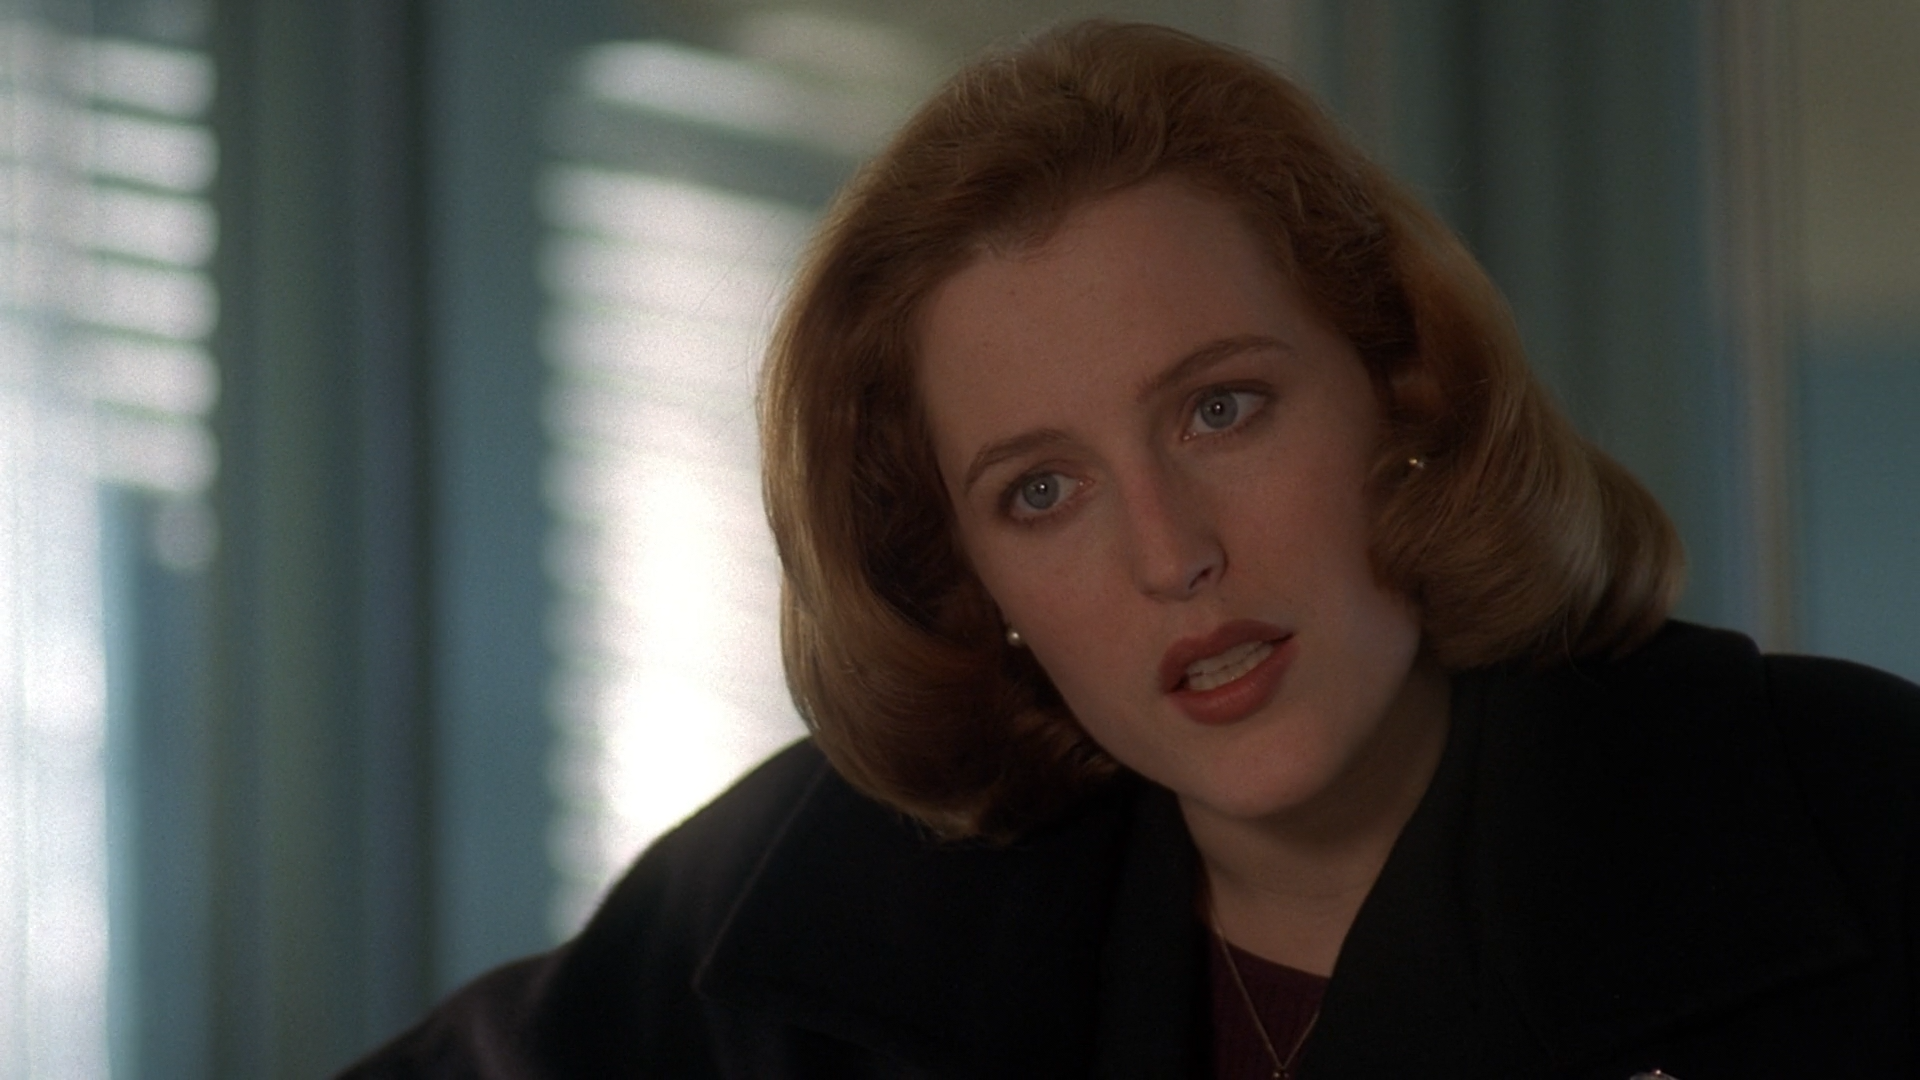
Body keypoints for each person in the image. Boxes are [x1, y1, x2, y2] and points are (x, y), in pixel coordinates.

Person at [342, 20, 1920, 1079]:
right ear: (970, 579)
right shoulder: (815, 898)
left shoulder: (1850, 812)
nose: (1171, 554)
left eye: (1222, 409)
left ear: (1401, 389)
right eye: (1041, 491)